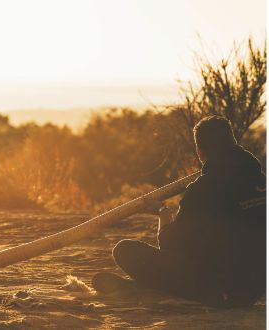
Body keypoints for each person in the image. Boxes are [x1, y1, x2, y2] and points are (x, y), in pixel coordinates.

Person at [92, 116, 266, 308]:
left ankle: (154, 287)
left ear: (200, 152)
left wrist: (162, 211)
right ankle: (152, 285)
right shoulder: (260, 180)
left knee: (125, 250)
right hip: (257, 285)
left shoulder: (203, 189)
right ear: (233, 143)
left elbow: (170, 244)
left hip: (222, 287)